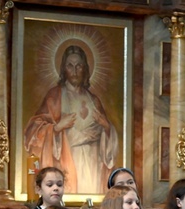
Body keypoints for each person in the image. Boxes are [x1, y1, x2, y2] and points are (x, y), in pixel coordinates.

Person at [24, 45, 119, 194]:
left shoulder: (94, 100)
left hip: (92, 164)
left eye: (79, 66)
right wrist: (56, 128)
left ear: (85, 69)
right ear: (63, 69)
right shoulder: (54, 96)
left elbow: (107, 139)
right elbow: (33, 131)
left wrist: (107, 128)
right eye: (70, 66)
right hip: (66, 160)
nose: (74, 71)